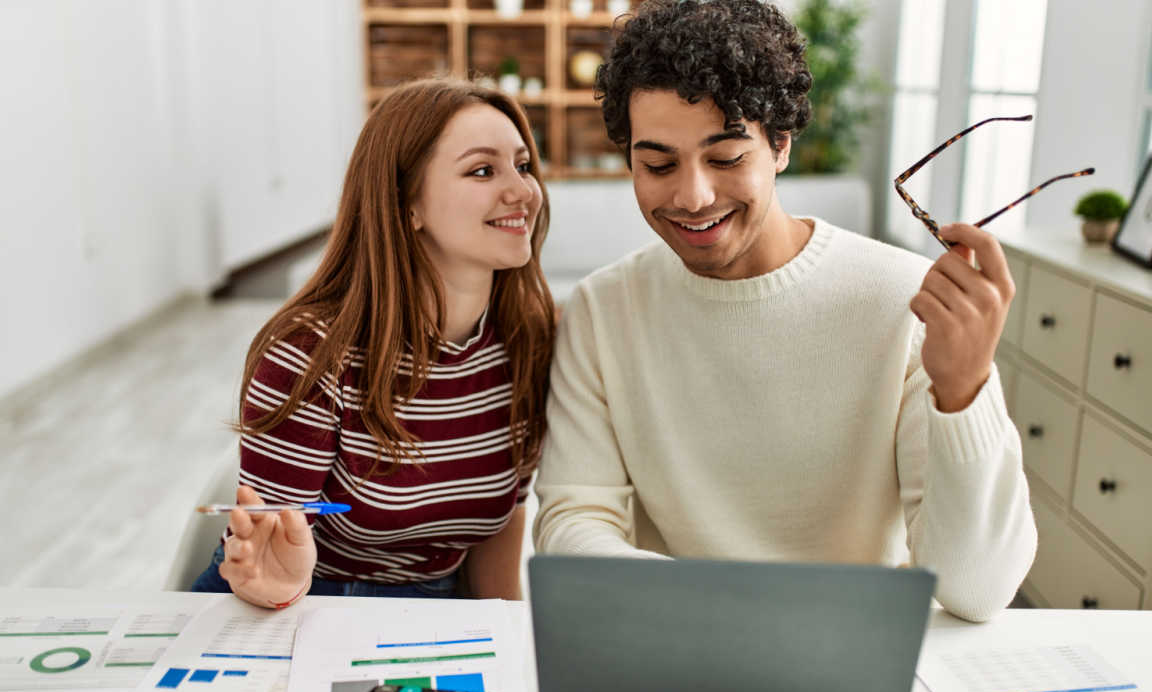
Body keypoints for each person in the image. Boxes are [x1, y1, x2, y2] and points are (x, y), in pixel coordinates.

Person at [533, 0, 1036, 622]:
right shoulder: (602, 311)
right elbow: (574, 522)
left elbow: (977, 592)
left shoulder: (902, 302)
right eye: (657, 164)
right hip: (673, 636)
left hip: (851, 649)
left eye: (726, 158)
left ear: (780, 146)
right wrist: (726, 613)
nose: (692, 196)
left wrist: (965, 392)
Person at [191, 78, 556, 608]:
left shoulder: (529, 339)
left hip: (439, 608)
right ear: (408, 206)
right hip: (304, 605)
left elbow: (499, 528)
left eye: (523, 165)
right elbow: (268, 558)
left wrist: (514, 648)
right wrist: (281, 585)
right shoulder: (310, 354)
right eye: (483, 170)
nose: (524, 191)